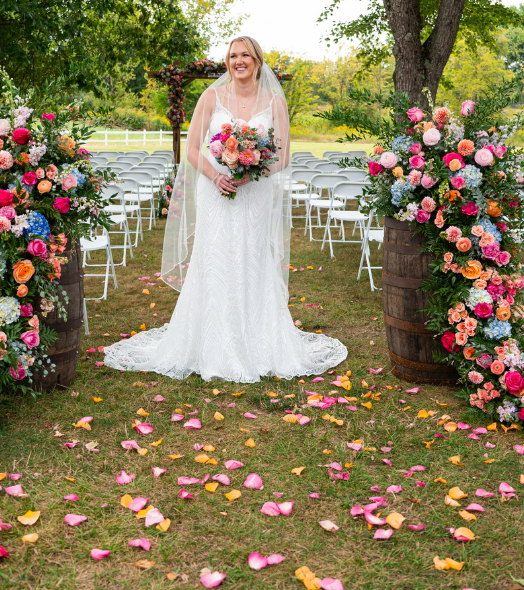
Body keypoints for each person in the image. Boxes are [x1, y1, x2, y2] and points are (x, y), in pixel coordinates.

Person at [103, 36, 347, 382]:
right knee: (216, 257)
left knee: (252, 256)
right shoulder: (211, 97)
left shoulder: (275, 102)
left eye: (245, 55)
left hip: (255, 194)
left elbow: (284, 156)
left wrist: (254, 171)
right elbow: (191, 151)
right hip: (215, 191)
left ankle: (258, 341)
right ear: (228, 62)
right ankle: (209, 342)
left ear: (258, 61)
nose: (239, 61)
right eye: (233, 56)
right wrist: (216, 176)